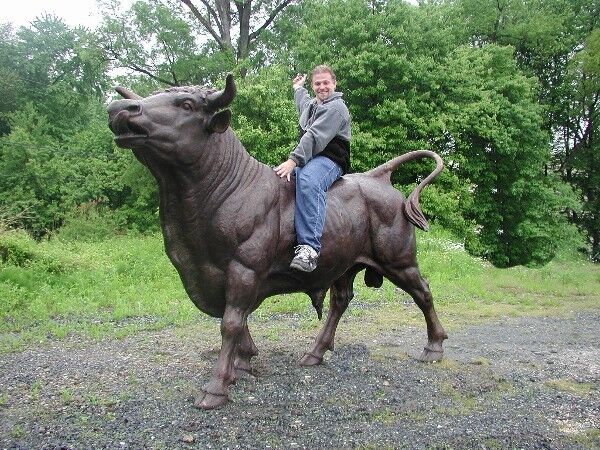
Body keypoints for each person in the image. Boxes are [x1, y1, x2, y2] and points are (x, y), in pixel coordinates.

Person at [274, 65, 351, 272]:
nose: (322, 87)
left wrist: (293, 160)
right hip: (311, 159)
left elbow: (314, 136)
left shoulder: (336, 108)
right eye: (317, 83)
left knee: (308, 180)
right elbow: (303, 104)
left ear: (334, 83)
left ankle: (309, 249)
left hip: (330, 159)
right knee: (283, 179)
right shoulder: (313, 106)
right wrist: (298, 88)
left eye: (326, 82)